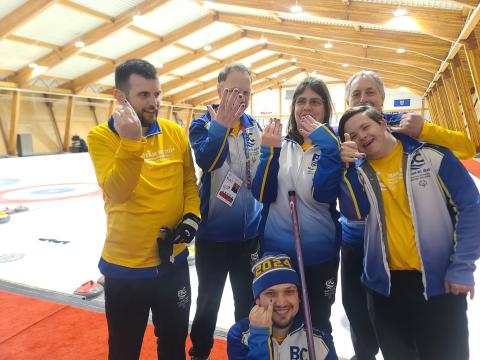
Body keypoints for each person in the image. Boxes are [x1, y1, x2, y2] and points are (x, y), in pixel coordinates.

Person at [339, 70, 476, 360]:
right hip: (382, 282)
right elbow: (353, 210)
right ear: (347, 101)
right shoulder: (357, 166)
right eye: (356, 94)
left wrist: (462, 265)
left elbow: (470, 205)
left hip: (437, 282)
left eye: (370, 92)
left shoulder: (427, 150)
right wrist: (343, 166)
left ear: (382, 106)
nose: (364, 98)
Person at [87, 59, 200, 360]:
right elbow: (119, 191)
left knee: (174, 347)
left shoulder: (175, 133)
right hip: (126, 269)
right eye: (144, 96)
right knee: (124, 351)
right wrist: (131, 141)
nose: (154, 103)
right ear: (120, 97)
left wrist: (191, 219)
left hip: (172, 264)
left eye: (157, 94)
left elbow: (190, 183)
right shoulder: (100, 138)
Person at [251, 77, 342, 354]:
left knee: (318, 322)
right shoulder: (280, 143)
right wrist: (269, 152)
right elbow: (261, 192)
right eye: (301, 101)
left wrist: (329, 148)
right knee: (280, 321)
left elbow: (324, 194)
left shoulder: (334, 145)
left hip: (320, 255)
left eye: (315, 101)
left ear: (325, 108)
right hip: (279, 256)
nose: (307, 107)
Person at [188, 63, 262, 360]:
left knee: (246, 301)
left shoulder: (253, 126)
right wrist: (222, 122)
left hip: (250, 236)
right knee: (208, 301)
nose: (240, 98)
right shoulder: (202, 124)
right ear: (219, 87)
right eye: (233, 91)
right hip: (213, 235)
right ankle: (200, 351)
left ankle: (243, 351)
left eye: (246, 92)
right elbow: (208, 161)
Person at [227, 252, 336, 360]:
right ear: (258, 301)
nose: (281, 302)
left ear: (299, 297)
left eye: (289, 292)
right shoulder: (239, 335)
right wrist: (259, 336)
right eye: (271, 294)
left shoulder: (320, 341)